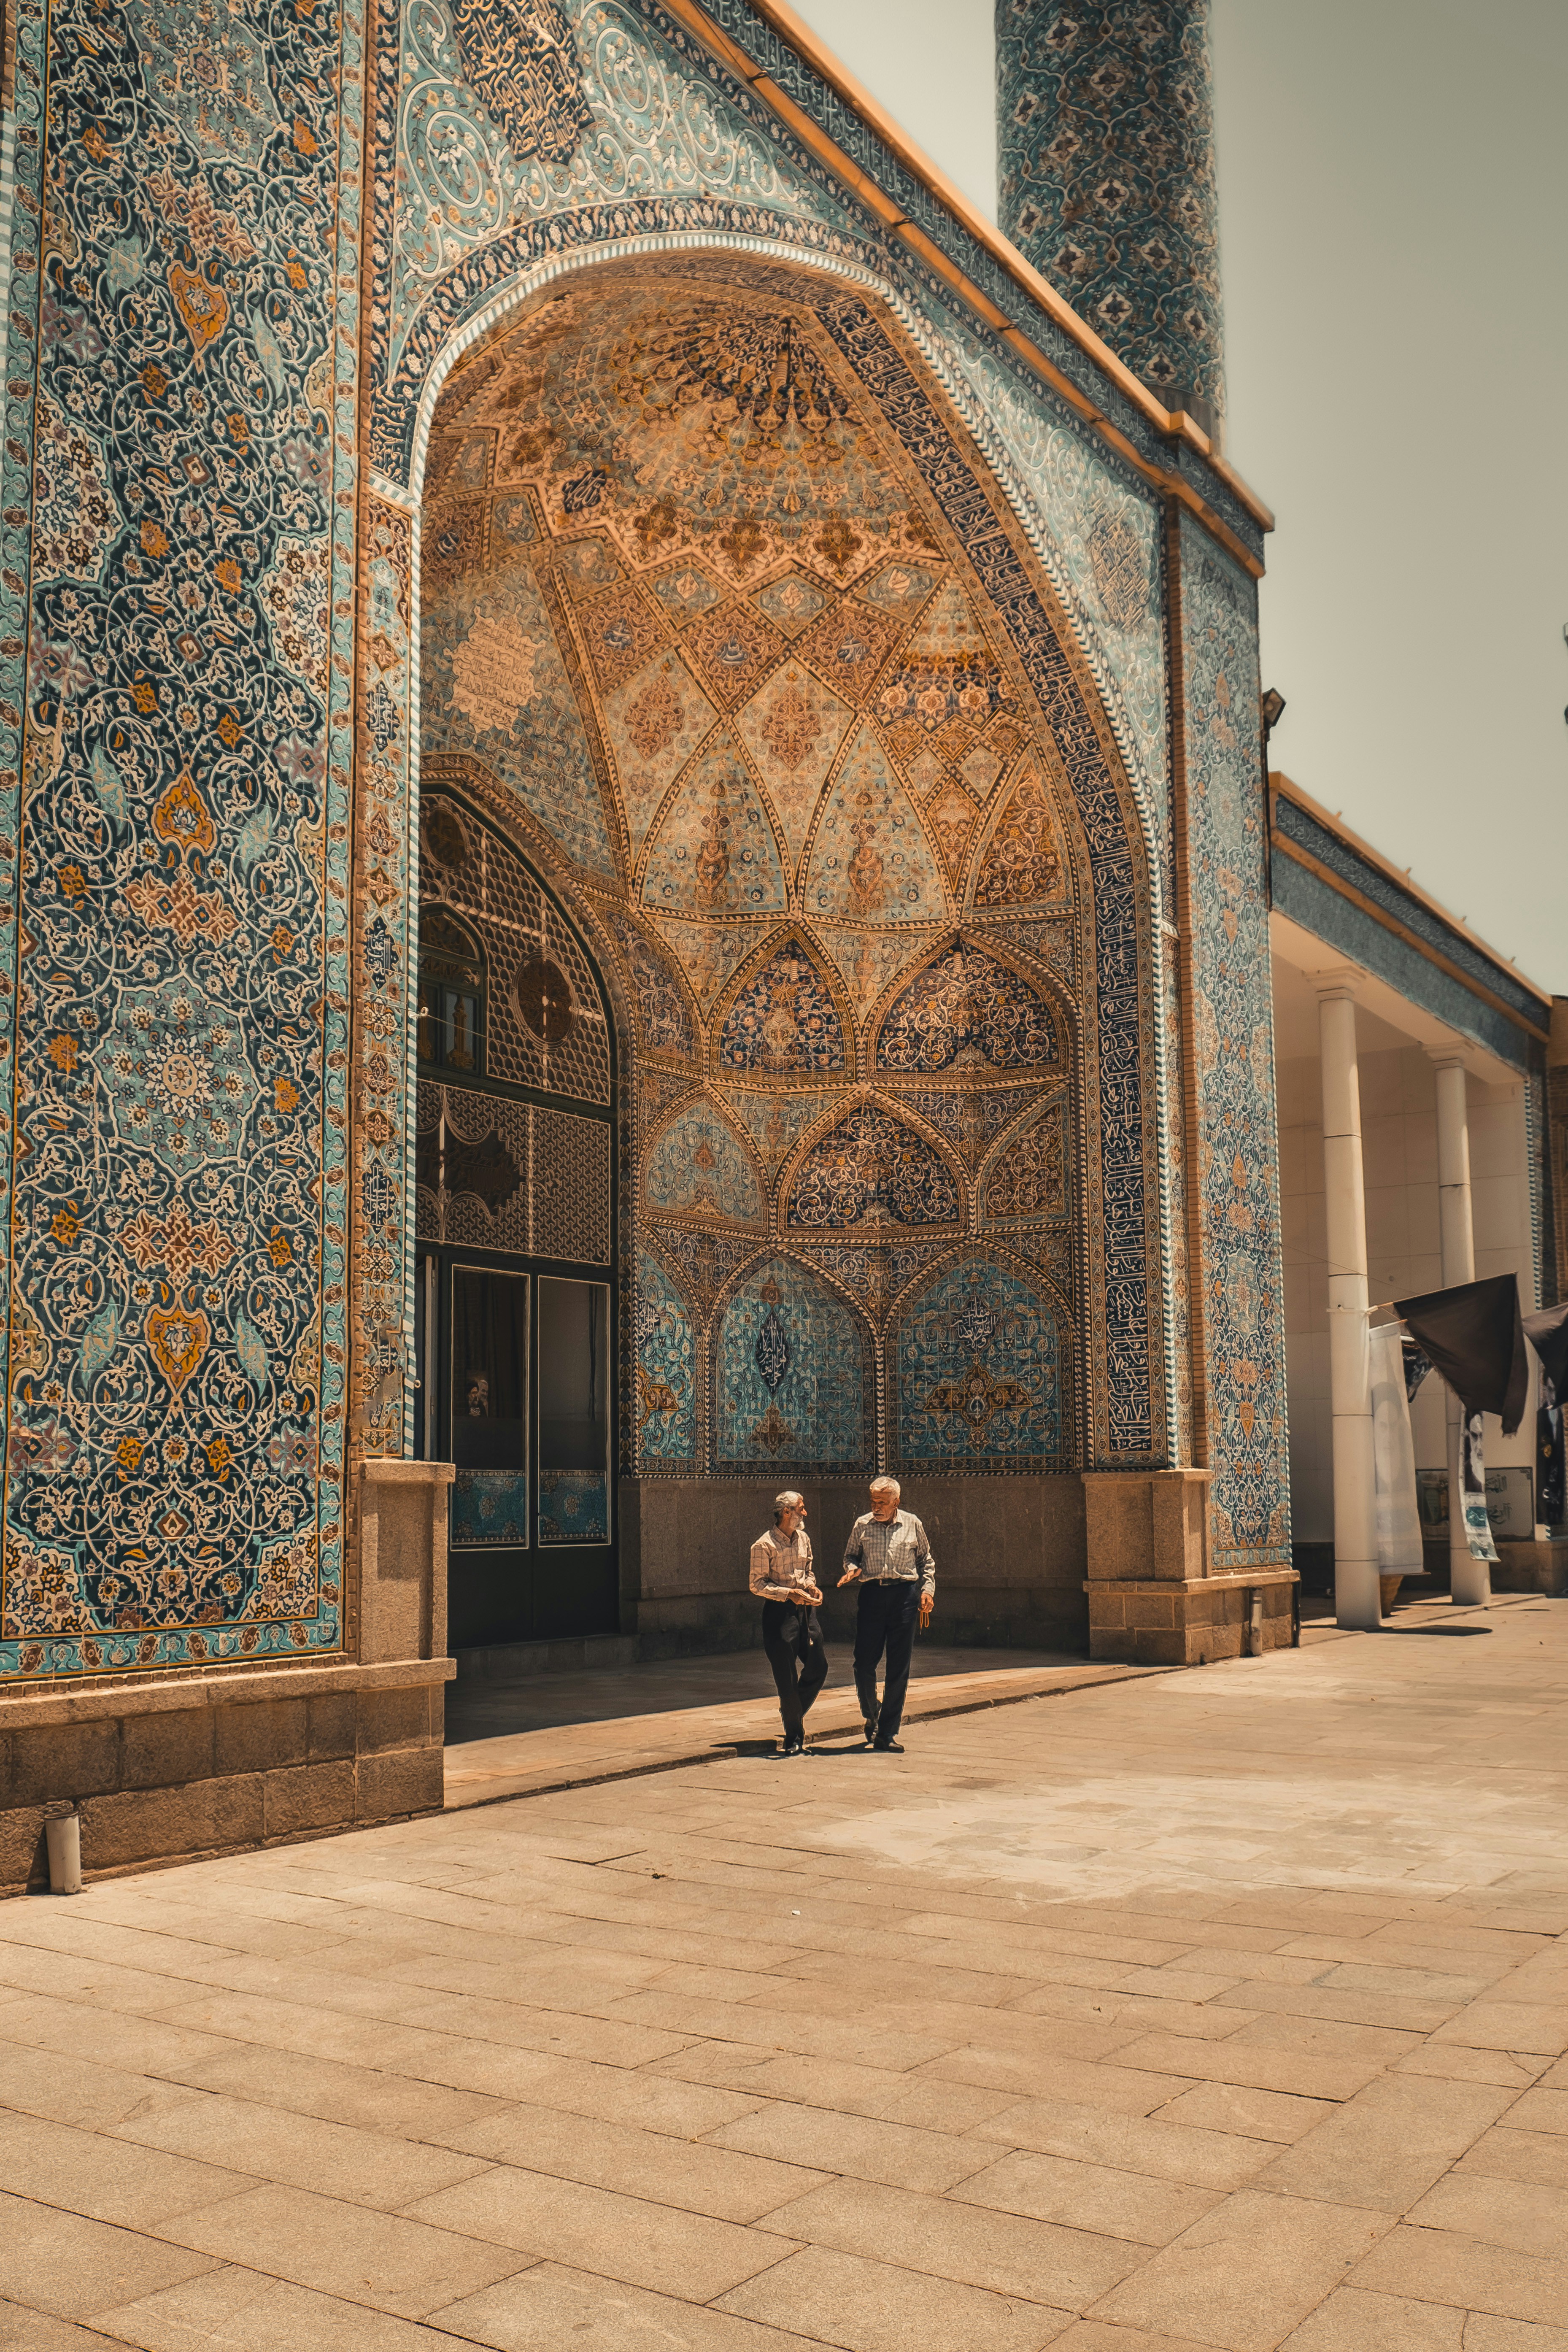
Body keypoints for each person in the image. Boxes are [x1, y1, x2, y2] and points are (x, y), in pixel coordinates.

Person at [838, 1477, 935, 1753]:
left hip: (905, 1596)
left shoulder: (912, 1523)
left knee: (898, 1667)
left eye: (882, 1502)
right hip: (871, 1594)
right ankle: (873, 1713)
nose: (876, 1506)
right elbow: (850, 1556)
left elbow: (925, 1561)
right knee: (863, 1663)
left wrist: (927, 1590)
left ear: (896, 1502)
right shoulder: (862, 1524)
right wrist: (852, 1569)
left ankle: (887, 1733)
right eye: (873, 1501)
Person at [750, 1491, 827, 1757]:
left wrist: (813, 1587)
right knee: (786, 1676)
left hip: (805, 1611)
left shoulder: (803, 1538)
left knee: (819, 1666)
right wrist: (787, 1594)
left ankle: (790, 1710)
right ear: (786, 1512)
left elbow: (808, 1571)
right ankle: (794, 1736)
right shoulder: (763, 1545)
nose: (805, 1513)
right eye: (801, 1509)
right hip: (779, 1614)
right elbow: (756, 1584)